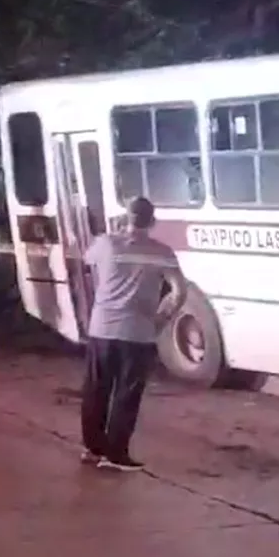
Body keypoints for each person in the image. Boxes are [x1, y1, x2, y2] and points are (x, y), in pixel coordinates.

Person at [80, 197, 187, 471]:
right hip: (138, 333)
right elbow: (179, 291)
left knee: (96, 389)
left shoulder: (105, 244)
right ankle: (116, 454)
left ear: (124, 218)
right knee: (126, 394)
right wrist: (162, 319)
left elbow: (87, 260)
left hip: (101, 329)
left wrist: (114, 234)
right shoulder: (161, 252)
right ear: (152, 222)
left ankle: (92, 449)